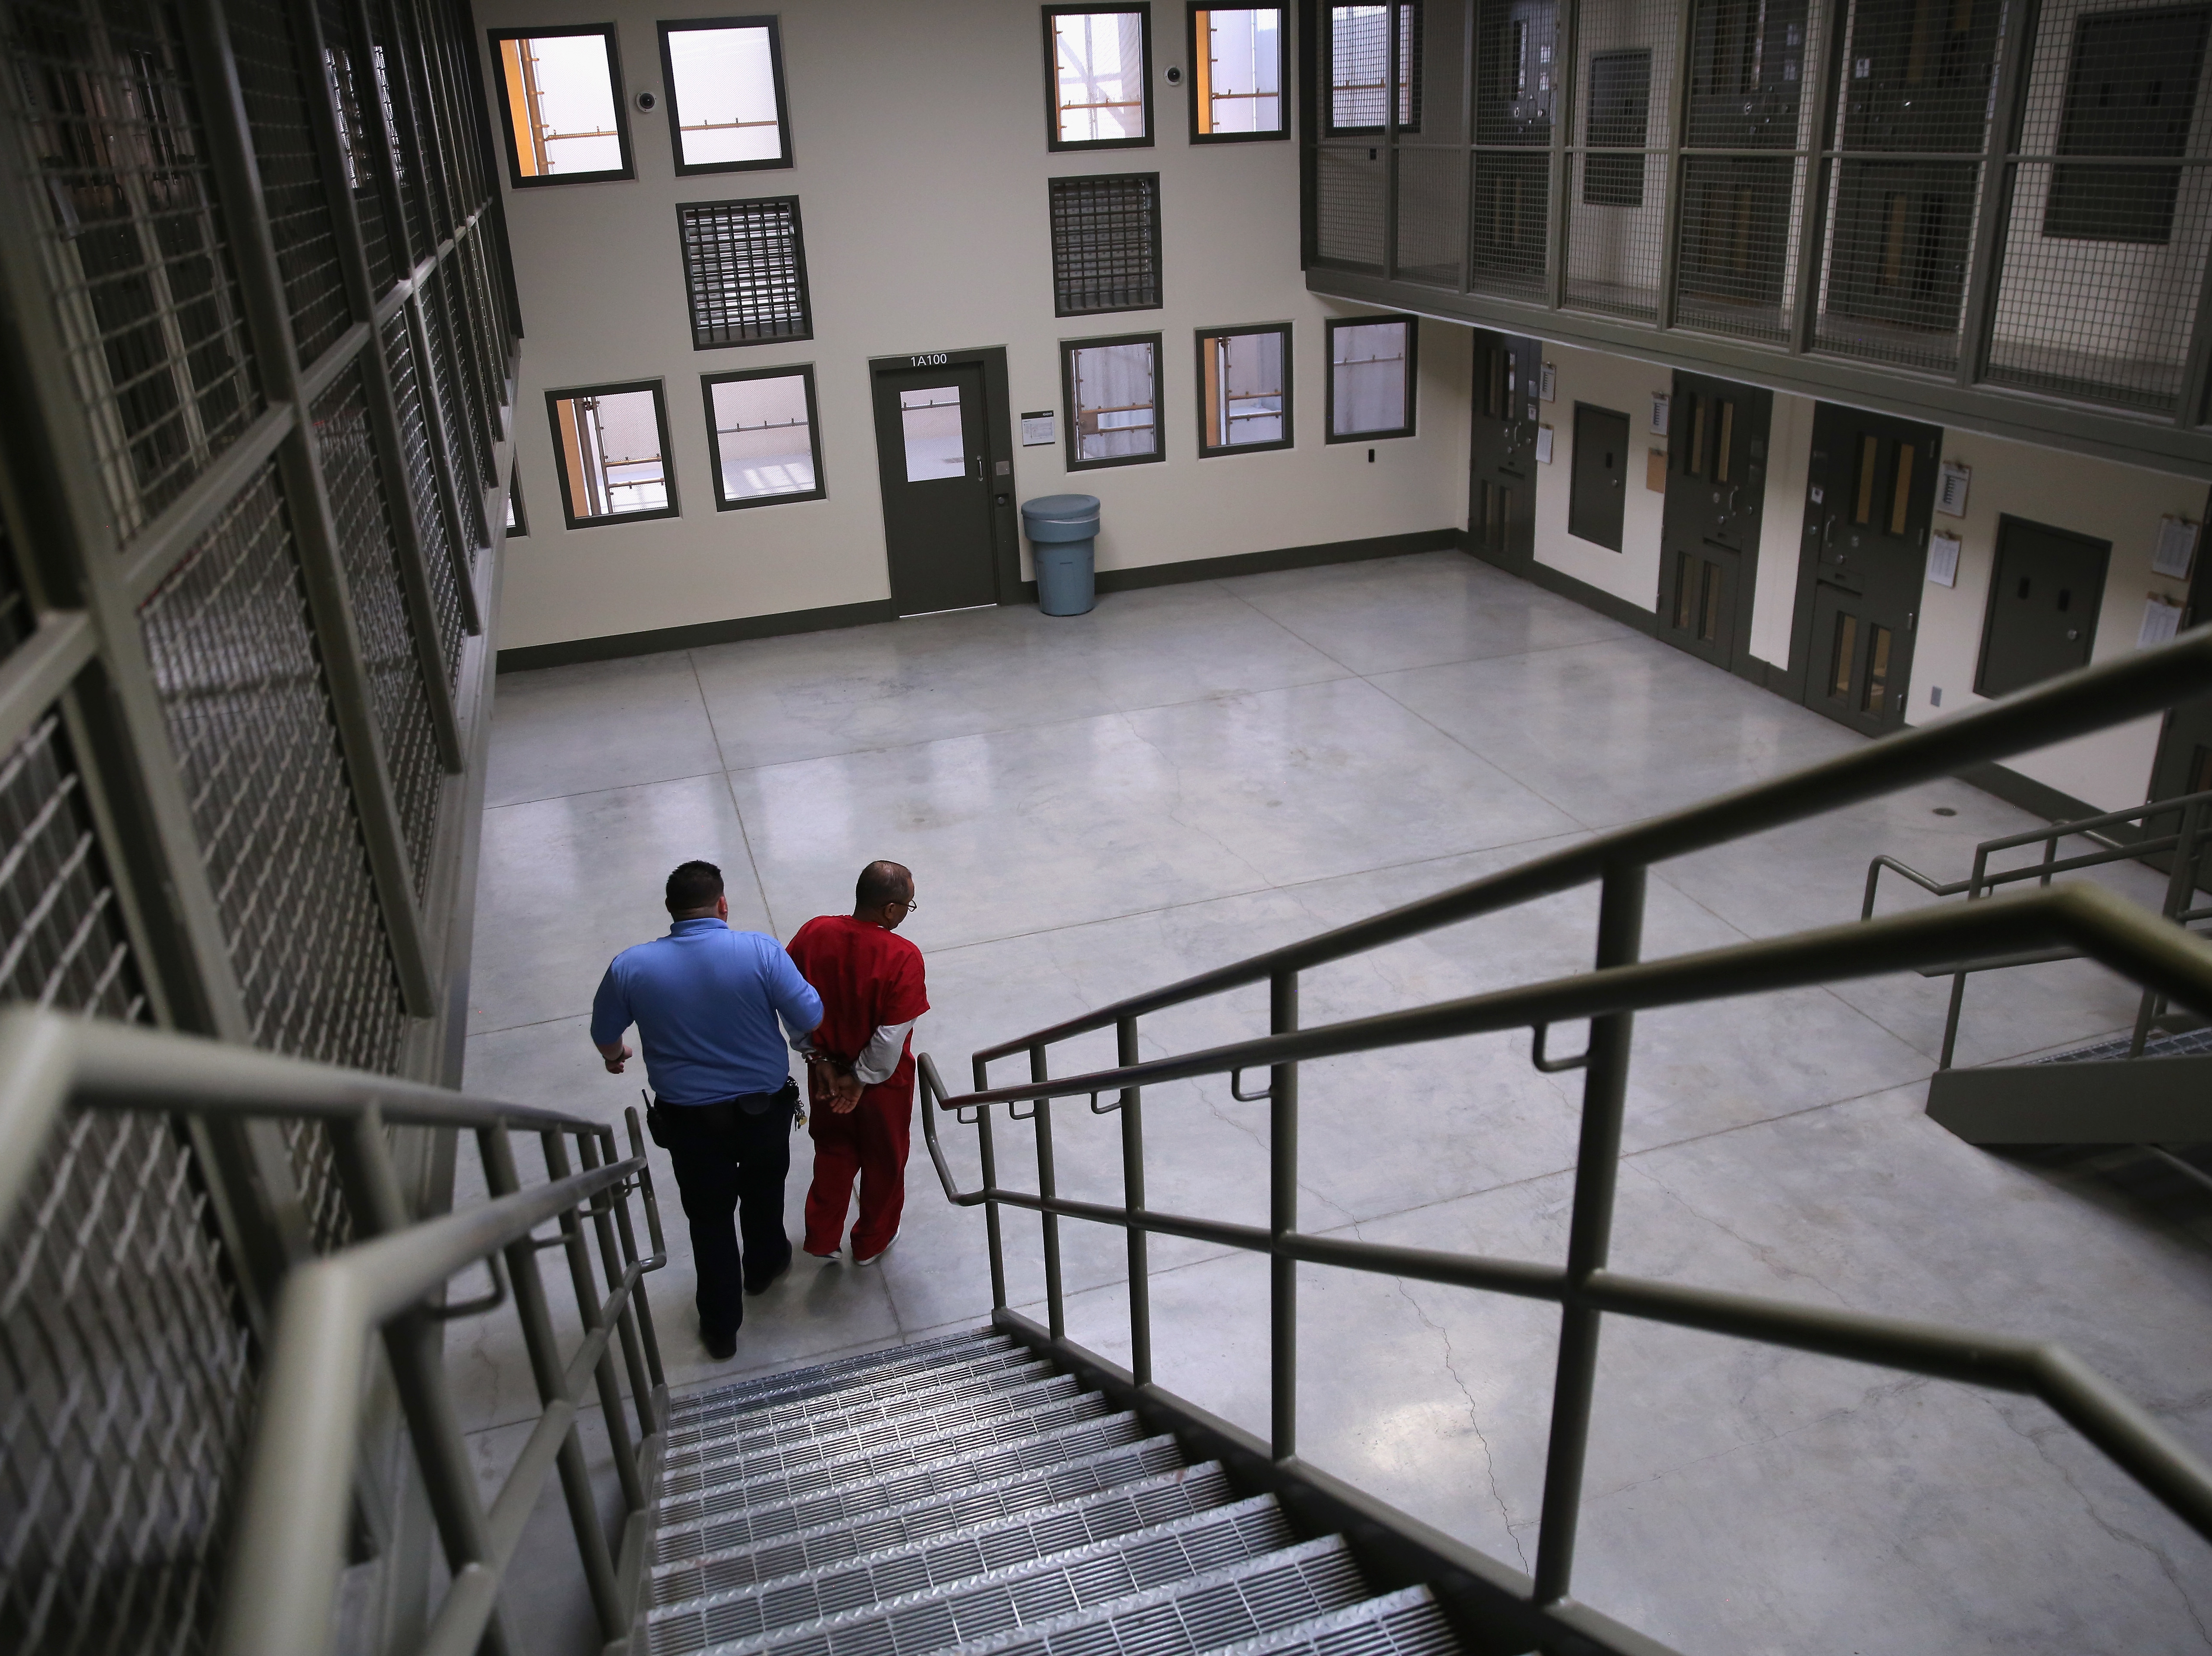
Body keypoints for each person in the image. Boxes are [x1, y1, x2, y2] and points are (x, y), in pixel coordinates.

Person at [591, 860, 822, 1361]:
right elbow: (809, 1015)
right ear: (722, 904)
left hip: (689, 1124)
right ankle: (763, 1268)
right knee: (765, 1189)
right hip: (762, 1112)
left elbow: (604, 1034)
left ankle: (721, 1327)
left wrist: (616, 1058)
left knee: (709, 1217)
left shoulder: (630, 966)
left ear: (671, 912)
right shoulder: (759, 951)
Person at [788, 861, 929, 1267]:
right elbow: (890, 1035)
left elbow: (791, 1002)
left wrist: (816, 1057)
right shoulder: (903, 956)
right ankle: (871, 1241)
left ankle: (823, 1237)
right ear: (890, 909)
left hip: (825, 1071)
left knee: (833, 1149)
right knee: (884, 1159)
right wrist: (860, 1080)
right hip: (882, 1086)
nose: (906, 912)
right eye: (908, 905)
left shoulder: (814, 933)